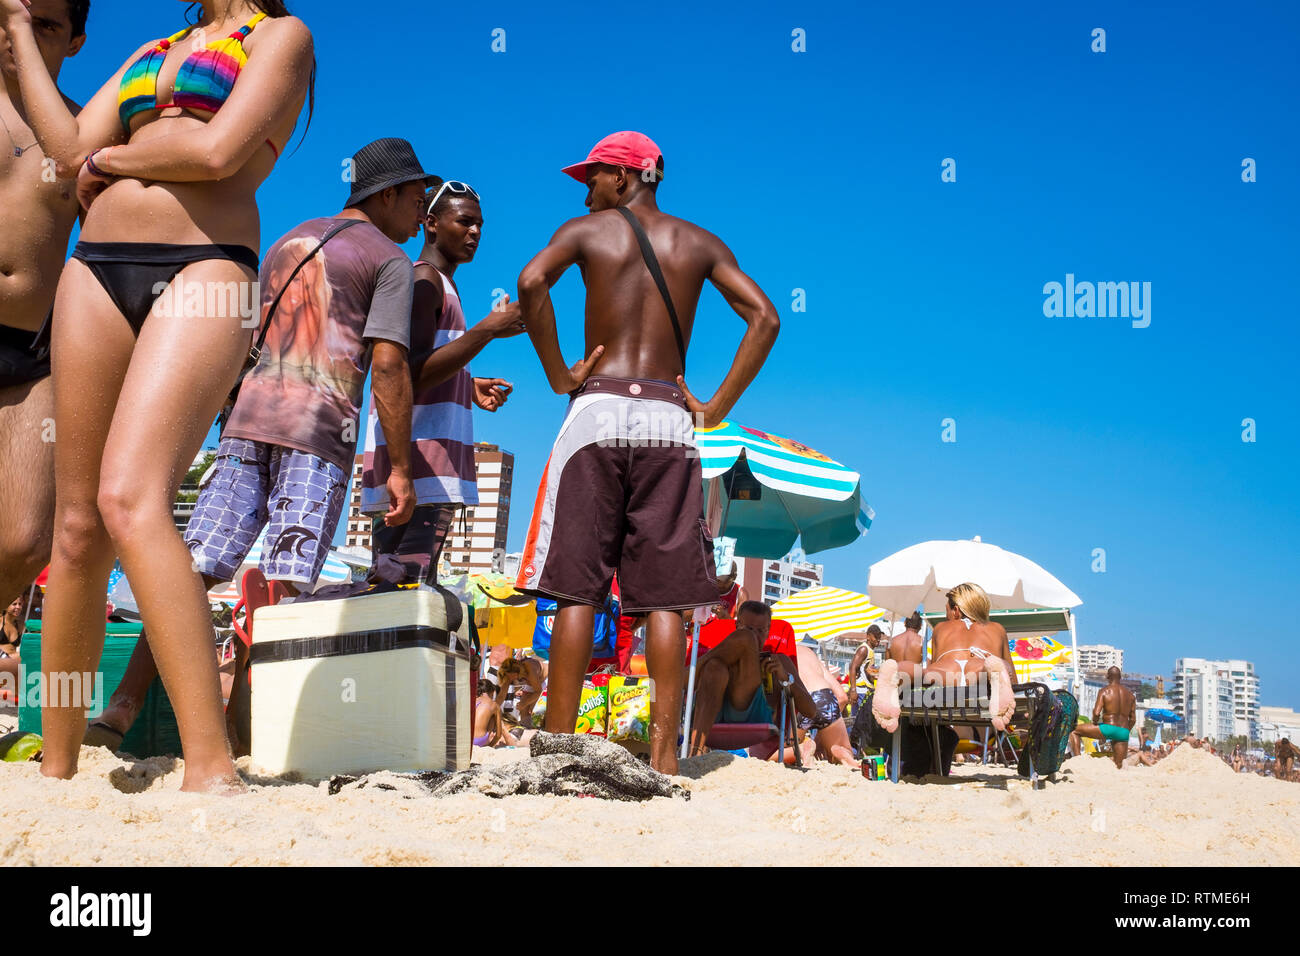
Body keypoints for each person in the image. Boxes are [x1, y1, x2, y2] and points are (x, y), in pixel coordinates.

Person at [4, 0, 313, 790]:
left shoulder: (280, 37)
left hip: (207, 266)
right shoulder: (158, 45)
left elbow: (217, 153)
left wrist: (115, 161)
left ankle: (210, 766)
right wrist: (15, 31)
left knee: (132, 498)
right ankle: (59, 765)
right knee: (74, 531)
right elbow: (68, 143)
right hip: (96, 267)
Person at [92, 137, 430, 757]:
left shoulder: (290, 239)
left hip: (247, 422)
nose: (422, 211)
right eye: (416, 196)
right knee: (283, 587)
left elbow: (244, 332)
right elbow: (388, 366)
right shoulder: (389, 263)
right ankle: (247, 739)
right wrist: (401, 466)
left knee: (192, 572)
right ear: (387, 194)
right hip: (317, 430)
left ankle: (119, 710)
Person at [513, 130, 780, 774]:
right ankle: (663, 758)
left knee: (576, 591)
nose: (587, 189)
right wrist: (714, 406)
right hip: (668, 415)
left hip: (597, 411)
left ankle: (558, 752)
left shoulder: (586, 233)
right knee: (664, 598)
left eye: (595, 176)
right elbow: (766, 317)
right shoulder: (700, 243)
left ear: (629, 176)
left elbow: (530, 283)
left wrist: (557, 373)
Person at [360, 176, 523, 583]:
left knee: (403, 584)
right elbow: (406, 372)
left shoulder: (441, 284)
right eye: (465, 222)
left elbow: (419, 364)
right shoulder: (424, 280)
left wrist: (465, 385)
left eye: (480, 225)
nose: (475, 232)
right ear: (431, 223)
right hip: (417, 469)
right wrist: (487, 330)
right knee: (403, 587)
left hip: (425, 469)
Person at [0, 0, 86, 608]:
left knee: (25, 541)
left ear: (75, 42)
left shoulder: (81, 133)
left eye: (44, 26)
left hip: (33, 346)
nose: (17, 38)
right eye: (8, 20)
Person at [873, 583, 1017, 734]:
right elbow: (1014, 681)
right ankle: (994, 670)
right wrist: (1006, 677)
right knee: (1002, 667)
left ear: (956, 610)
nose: (945, 615)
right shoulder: (996, 628)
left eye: (946, 610)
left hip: (947, 671)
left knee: (924, 673)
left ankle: (897, 670)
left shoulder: (941, 627)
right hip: (980, 668)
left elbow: (936, 666)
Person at [687, 601, 819, 757]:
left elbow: (811, 711)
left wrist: (785, 678)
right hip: (716, 712)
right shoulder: (723, 660)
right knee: (715, 667)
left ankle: (689, 674)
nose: (755, 635)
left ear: (768, 631)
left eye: (761, 630)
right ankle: (695, 754)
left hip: (756, 715)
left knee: (735, 647)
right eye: (749, 628)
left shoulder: (779, 661)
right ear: (736, 626)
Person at [794, 643, 855, 764]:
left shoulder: (783, 652)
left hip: (803, 701)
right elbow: (842, 697)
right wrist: (819, 738)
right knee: (845, 750)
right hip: (825, 697)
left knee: (778, 751)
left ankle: (801, 748)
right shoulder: (809, 652)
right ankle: (842, 752)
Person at [1069, 666, 1136, 769]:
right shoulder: (1130, 695)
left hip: (1107, 728)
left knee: (1074, 730)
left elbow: (1096, 713)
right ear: (1120, 677)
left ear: (1107, 677)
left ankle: (1078, 761)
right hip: (1123, 731)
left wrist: (1094, 722)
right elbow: (1133, 719)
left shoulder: (1104, 691)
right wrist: (1125, 731)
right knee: (1119, 765)